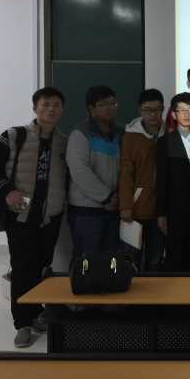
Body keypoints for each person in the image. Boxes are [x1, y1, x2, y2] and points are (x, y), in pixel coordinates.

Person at [0, 87, 67, 348]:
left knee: (42, 267)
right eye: (45, 104)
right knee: (21, 269)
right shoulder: (13, 135)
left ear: (62, 109)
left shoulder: (63, 141)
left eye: (56, 105)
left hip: (50, 217)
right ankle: (22, 324)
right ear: (35, 108)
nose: (51, 109)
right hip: (20, 216)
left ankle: (37, 313)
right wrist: (7, 191)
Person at [67, 85, 123, 259]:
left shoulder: (120, 133)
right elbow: (79, 171)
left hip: (113, 208)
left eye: (113, 103)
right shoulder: (80, 134)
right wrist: (106, 197)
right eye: (103, 104)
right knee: (86, 260)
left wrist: (117, 197)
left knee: (110, 260)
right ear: (91, 108)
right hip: (87, 210)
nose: (110, 108)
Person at [156, 93, 190, 272]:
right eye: (182, 110)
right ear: (174, 114)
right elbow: (161, 179)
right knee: (175, 255)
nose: (186, 114)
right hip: (174, 208)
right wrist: (161, 213)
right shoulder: (164, 142)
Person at [118, 88, 166, 272]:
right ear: (140, 110)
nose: (153, 114)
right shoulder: (130, 136)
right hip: (135, 210)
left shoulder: (170, 133)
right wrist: (126, 206)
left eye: (157, 109)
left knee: (155, 261)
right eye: (148, 110)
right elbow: (125, 173)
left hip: (161, 211)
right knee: (131, 261)